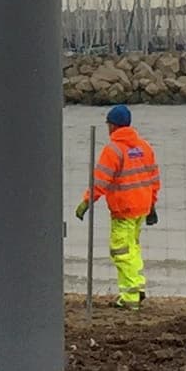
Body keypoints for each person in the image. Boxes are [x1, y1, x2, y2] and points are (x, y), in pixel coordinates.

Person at [76, 103, 159, 310]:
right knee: (133, 249)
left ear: (112, 126)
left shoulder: (113, 150)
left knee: (121, 252)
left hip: (124, 210)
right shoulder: (144, 147)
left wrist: (87, 201)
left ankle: (130, 297)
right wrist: (152, 205)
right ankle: (137, 289)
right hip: (141, 207)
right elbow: (154, 179)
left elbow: (101, 180)